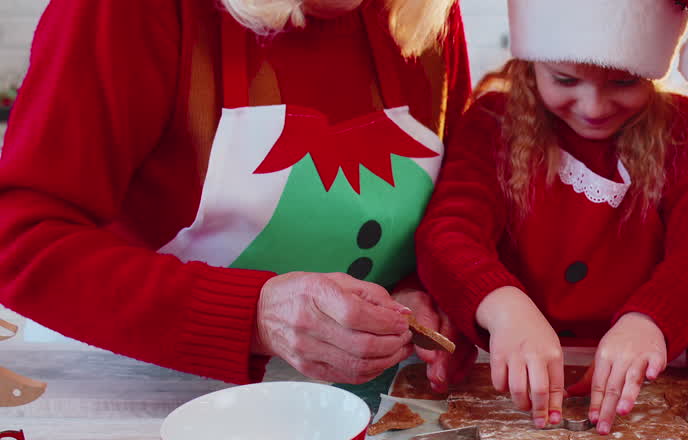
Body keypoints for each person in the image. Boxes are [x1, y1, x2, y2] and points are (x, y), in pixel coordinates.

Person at [0, 0, 473, 390]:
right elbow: (18, 240)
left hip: (376, 391)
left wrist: (425, 283)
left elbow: (454, 200)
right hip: (166, 392)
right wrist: (255, 315)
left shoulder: (424, 13)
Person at [418, 0, 688, 433]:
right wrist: (505, 310)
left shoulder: (683, 131)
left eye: (623, 81)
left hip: (651, 371)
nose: (593, 107)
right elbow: (447, 233)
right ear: (531, 63)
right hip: (505, 371)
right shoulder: (492, 123)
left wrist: (650, 320)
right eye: (565, 79)